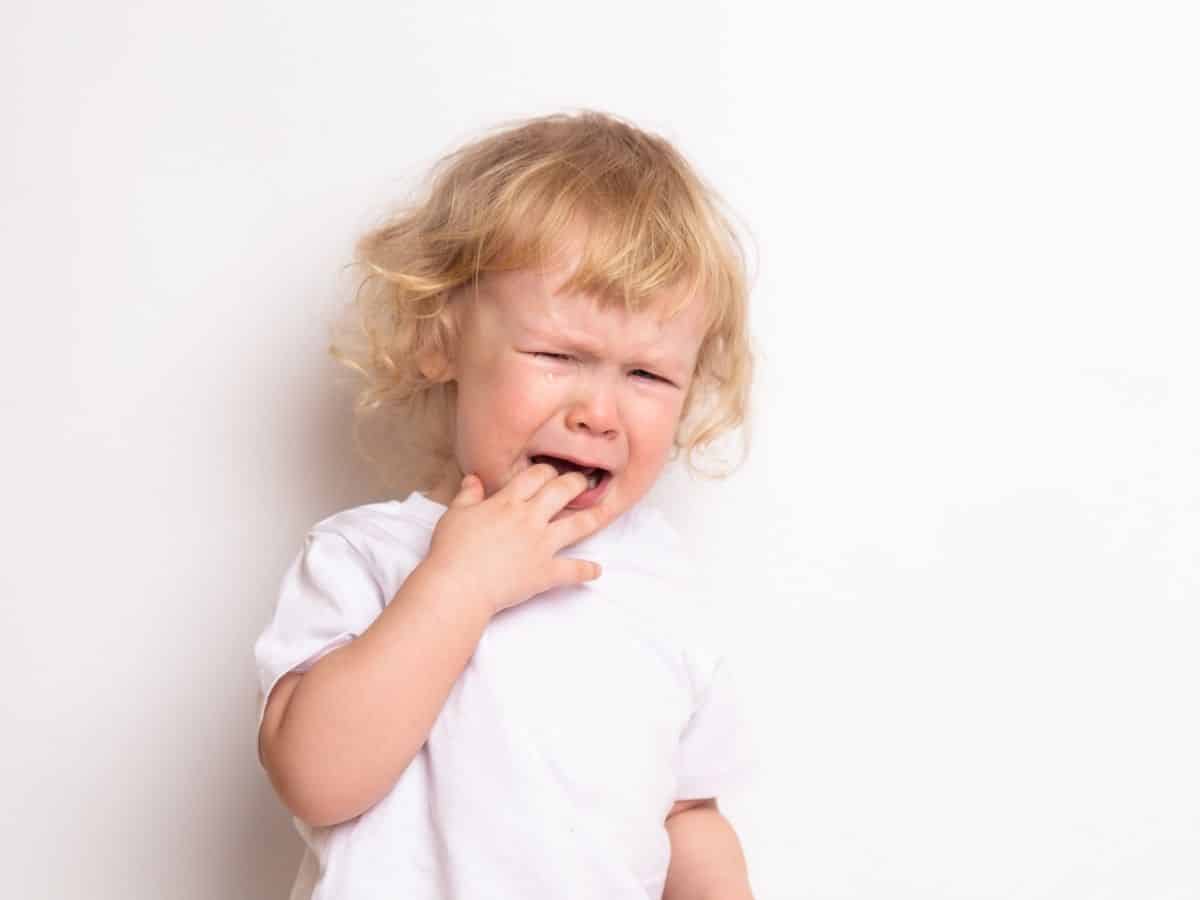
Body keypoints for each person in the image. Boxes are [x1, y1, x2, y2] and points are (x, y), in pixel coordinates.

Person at [254, 110, 758, 900]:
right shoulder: (369, 557)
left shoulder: (663, 586)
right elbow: (316, 778)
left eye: (648, 376)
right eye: (560, 356)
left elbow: (687, 813)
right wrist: (460, 582)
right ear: (440, 340)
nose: (600, 412)